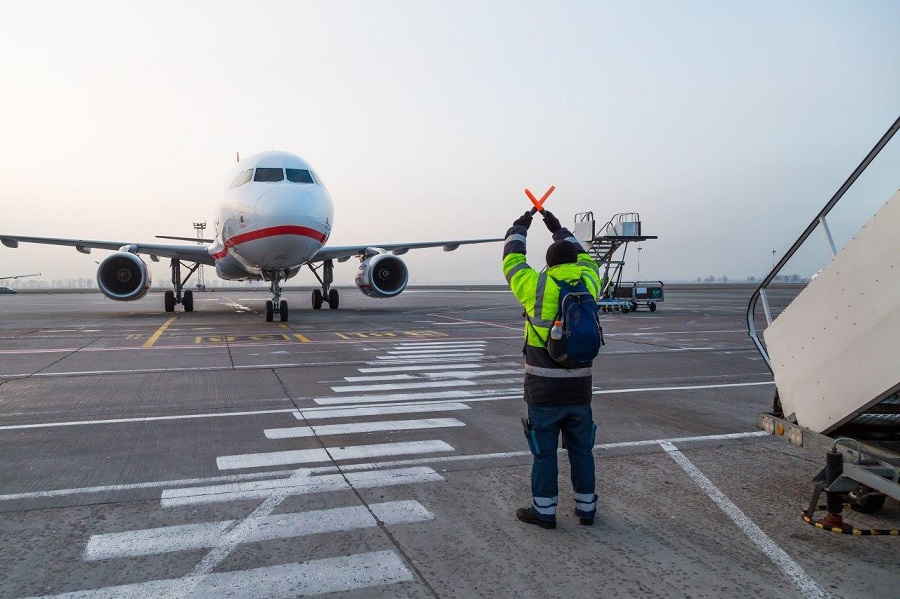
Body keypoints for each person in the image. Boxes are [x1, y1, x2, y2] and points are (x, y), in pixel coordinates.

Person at [502, 208, 602, 529]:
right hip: (580, 390)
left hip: (543, 390)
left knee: (544, 454)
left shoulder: (536, 286)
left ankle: (544, 512)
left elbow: (513, 260)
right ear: (574, 261)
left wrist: (521, 225)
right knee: (581, 451)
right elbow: (585, 256)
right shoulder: (589, 281)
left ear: (550, 263)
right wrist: (557, 227)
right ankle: (586, 509)